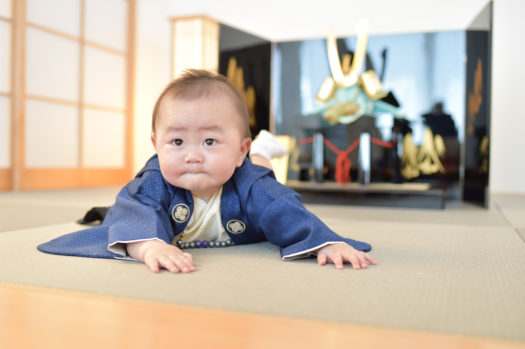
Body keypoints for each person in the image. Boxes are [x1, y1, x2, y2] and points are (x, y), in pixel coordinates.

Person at [38, 69, 377, 274]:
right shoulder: (154, 181)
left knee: (261, 175)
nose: (193, 156)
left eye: (211, 140)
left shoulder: (250, 184)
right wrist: (148, 247)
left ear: (237, 148)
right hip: (235, 160)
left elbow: (285, 209)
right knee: (121, 211)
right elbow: (133, 213)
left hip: (247, 168)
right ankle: (256, 149)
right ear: (156, 145)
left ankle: (260, 152)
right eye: (177, 141)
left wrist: (325, 244)